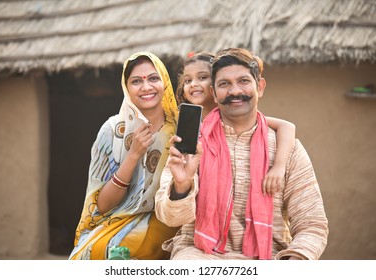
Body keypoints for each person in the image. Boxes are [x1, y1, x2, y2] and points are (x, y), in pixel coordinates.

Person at [155, 48, 328, 260]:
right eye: (224, 84)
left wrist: (294, 263)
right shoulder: (191, 145)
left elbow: (312, 225)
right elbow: (170, 218)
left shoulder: (287, 149)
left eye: (244, 81)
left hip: (269, 258)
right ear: (214, 94)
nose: (235, 91)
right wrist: (181, 186)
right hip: (199, 255)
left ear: (260, 87)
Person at [69, 52, 179, 260]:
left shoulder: (180, 130)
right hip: (115, 219)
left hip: (164, 218)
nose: (146, 87)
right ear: (126, 88)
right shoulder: (112, 130)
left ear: (164, 82)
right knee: (91, 253)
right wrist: (134, 154)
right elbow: (103, 205)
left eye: (153, 78)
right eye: (137, 81)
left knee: (125, 251)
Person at [175, 51, 296, 195]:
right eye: (188, 81)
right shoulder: (190, 127)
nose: (194, 84)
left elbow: (287, 126)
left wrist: (279, 166)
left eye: (202, 77)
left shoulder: (238, 118)